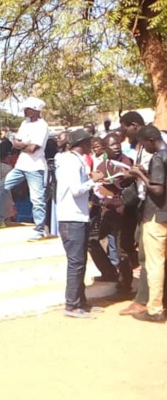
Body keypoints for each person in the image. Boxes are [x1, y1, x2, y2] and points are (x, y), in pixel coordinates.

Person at [55, 129, 104, 319]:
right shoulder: (70, 162)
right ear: (83, 143)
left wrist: (90, 178)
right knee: (76, 263)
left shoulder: (74, 160)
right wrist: (93, 182)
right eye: (89, 142)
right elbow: (76, 190)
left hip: (78, 217)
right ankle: (72, 305)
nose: (91, 145)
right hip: (71, 218)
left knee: (80, 262)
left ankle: (80, 302)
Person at [0, 97, 50, 241]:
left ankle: (39, 230)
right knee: (2, 187)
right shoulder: (24, 123)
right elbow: (15, 144)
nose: (24, 111)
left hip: (35, 167)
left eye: (27, 108)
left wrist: (21, 144)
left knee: (37, 199)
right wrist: (22, 144)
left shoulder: (42, 126)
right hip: (21, 165)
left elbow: (33, 148)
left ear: (34, 110)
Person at [124, 125, 167, 322]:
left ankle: (155, 309)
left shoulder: (159, 157)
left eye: (143, 144)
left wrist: (140, 175)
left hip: (156, 216)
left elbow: (157, 190)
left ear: (150, 140)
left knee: (154, 264)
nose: (144, 149)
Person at [94, 133, 136, 292]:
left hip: (122, 212)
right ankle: (109, 271)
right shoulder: (102, 165)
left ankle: (125, 284)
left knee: (121, 250)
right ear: (105, 149)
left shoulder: (126, 162)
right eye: (112, 145)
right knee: (91, 239)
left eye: (118, 144)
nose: (116, 147)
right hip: (107, 210)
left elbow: (127, 185)